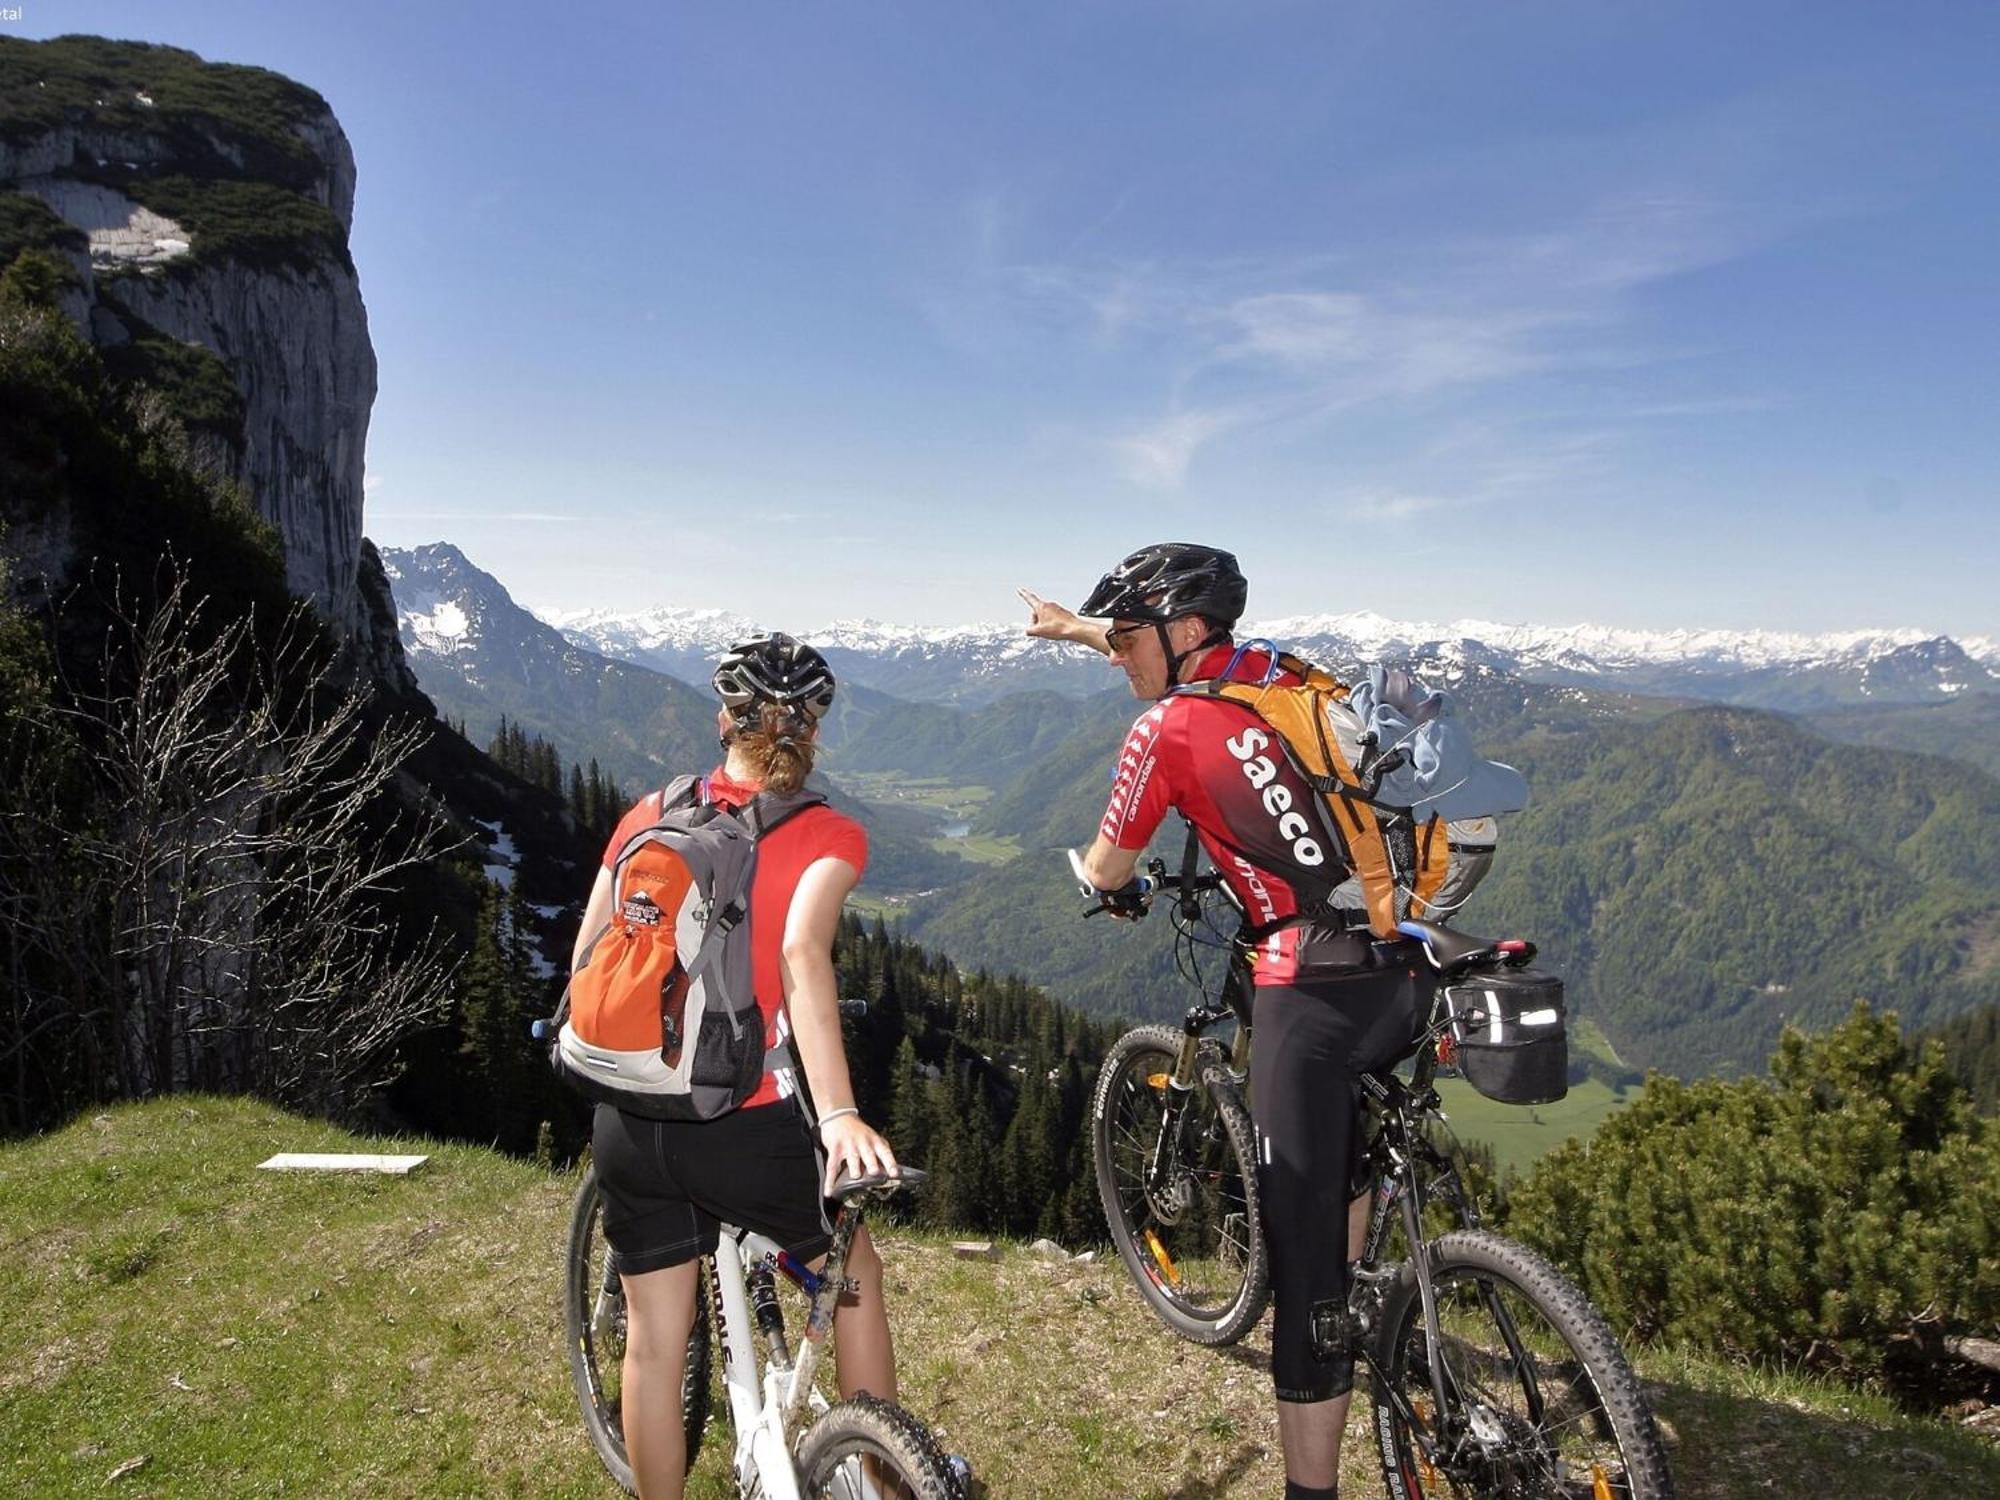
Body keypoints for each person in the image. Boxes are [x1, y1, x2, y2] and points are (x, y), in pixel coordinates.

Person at [1024, 545, 1427, 1500]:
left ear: (1184, 633)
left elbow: (1115, 863)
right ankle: (1367, 1279)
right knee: (1350, 1162)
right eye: (1112, 639)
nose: (1119, 655)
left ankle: (1311, 1482)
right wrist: (1076, 631)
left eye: (1128, 638)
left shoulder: (1164, 730)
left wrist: (1095, 880)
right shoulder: (1284, 676)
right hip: (1403, 958)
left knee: (1303, 1281)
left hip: (1310, 988)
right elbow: (1169, 660)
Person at [572, 633, 900, 1500]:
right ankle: (877, 1479)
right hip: (741, 1121)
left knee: (653, 1340)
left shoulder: (650, 811)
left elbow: (590, 955)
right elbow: (801, 955)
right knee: (851, 1271)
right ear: (813, 730)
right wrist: (836, 1114)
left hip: (632, 1123)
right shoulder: (830, 833)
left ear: (726, 720)